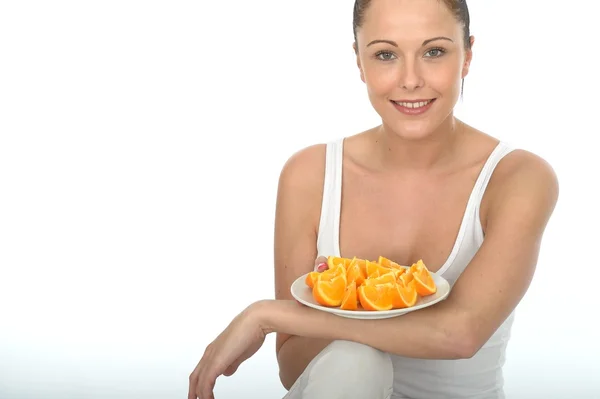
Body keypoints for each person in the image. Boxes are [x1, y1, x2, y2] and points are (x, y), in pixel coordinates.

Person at [188, 0, 559, 398]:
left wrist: (268, 314)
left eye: (434, 52)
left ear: (467, 55)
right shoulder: (310, 174)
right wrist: (351, 321)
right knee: (354, 361)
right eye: (386, 55)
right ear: (359, 62)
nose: (411, 80)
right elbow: (293, 367)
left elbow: (461, 334)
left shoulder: (518, 177)